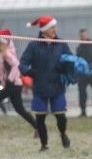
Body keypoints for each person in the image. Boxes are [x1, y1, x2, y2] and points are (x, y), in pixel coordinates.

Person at [19, 15, 73, 151]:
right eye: (51, 27)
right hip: (40, 86)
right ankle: (44, 144)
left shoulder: (61, 43)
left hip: (57, 86)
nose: (55, 29)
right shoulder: (33, 45)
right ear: (44, 29)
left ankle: (63, 133)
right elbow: (22, 64)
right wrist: (28, 72)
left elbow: (70, 59)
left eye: (55, 27)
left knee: (61, 116)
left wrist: (64, 66)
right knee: (40, 118)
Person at [0, 30, 37, 135]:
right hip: (14, 86)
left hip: (9, 86)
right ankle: (38, 128)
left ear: (1, 41)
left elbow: (16, 65)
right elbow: (0, 69)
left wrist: (9, 80)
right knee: (20, 109)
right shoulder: (3, 53)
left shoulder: (6, 53)